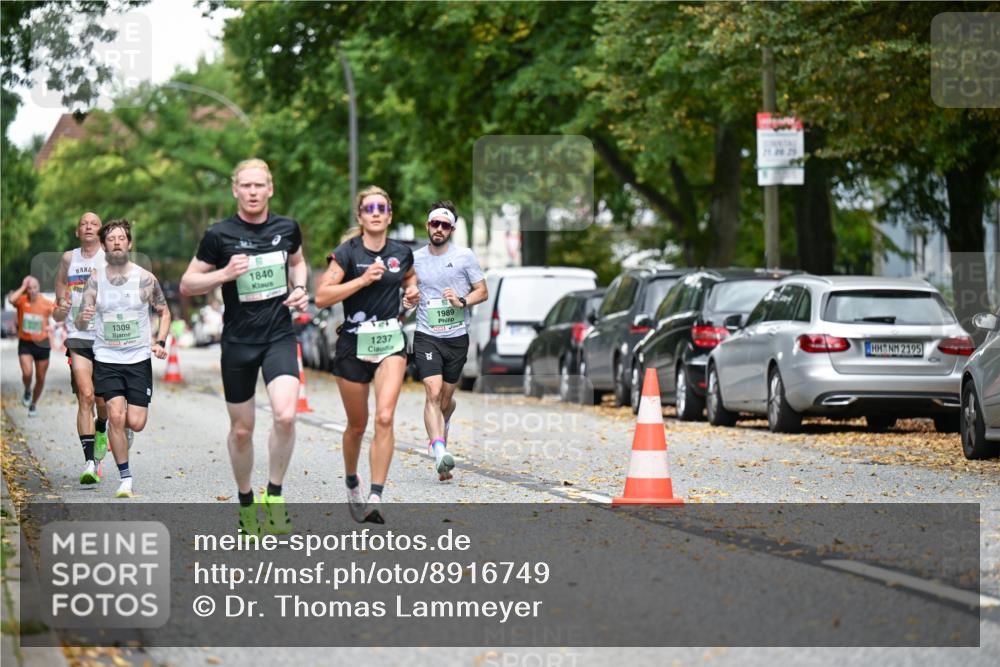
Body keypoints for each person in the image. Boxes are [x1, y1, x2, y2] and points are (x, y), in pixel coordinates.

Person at [180, 158, 309, 536]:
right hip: (237, 341)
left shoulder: (287, 228)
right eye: (246, 186)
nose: (253, 192)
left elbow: (299, 263)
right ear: (236, 190)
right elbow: (188, 283)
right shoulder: (219, 235)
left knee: (285, 416)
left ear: (270, 189)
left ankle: (276, 494)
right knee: (242, 430)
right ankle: (246, 503)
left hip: (278, 336)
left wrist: (300, 288)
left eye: (259, 186)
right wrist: (224, 274)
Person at [316, 186, 419, 524]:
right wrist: (361, 281)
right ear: (360, 217)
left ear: (389, 216)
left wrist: (412, 291)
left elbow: (409, 278)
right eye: (369, 208)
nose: (375, 212)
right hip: (353, 344)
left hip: (390, 340)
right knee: (357, 426)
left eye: (382, 207)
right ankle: (351, 480)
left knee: (385, 417)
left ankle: (376, 494)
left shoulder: (401, 253)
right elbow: (322, 297)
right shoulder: (346, 253)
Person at [75, 219, 170, 498]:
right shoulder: (95, 279)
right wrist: (84, 316)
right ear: (104, 246)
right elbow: (81, 321)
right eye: (111, 238)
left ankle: (121, 433)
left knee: (135, 422)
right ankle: (125, 478)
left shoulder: (144, 278)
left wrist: (161, 341)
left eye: (121, 238)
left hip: (138, 358)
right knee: (115, 416)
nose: (116, 242)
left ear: (129, 244)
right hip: (106, 357)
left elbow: (164, 312)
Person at [412, 201, 487, 480]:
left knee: (445, 399)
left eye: (445, 225)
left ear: (452, 229)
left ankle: (444, 422)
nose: (439, 229)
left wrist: (462, 300)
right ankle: (440, 451)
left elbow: (483, 290)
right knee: (432, 391)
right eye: (435, 224)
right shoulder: (416, 259)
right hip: (426, 334)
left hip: (456, 337)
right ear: (427, 226)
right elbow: (407, 291)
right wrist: (408, 299)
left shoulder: (465, 256)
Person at [53, 211, 110, 485]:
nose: (88, 227)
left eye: (94, 224)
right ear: (77, 232)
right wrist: (62, 303)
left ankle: (102, 428)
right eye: (83, 224)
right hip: (78, 336)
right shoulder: (68, 258)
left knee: (103, 403)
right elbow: (61, 286)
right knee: (86, 395)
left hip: (106, 338)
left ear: (100, 231)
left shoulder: (109, 257)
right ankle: (90, 461)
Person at [8, 276, 55, 417]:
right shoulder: (22, 300)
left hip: (42, 344)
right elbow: (11, 300)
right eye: (29, 288)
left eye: (35, 287)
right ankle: (27, 389)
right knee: (27, 373)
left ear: (38, 287)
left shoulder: (46, 303)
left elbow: (60, 317)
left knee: (40, 378)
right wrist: (23, 286)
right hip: (26, 343)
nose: (32, 290)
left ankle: (33, 404)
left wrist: (53, 327)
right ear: (26, 289)